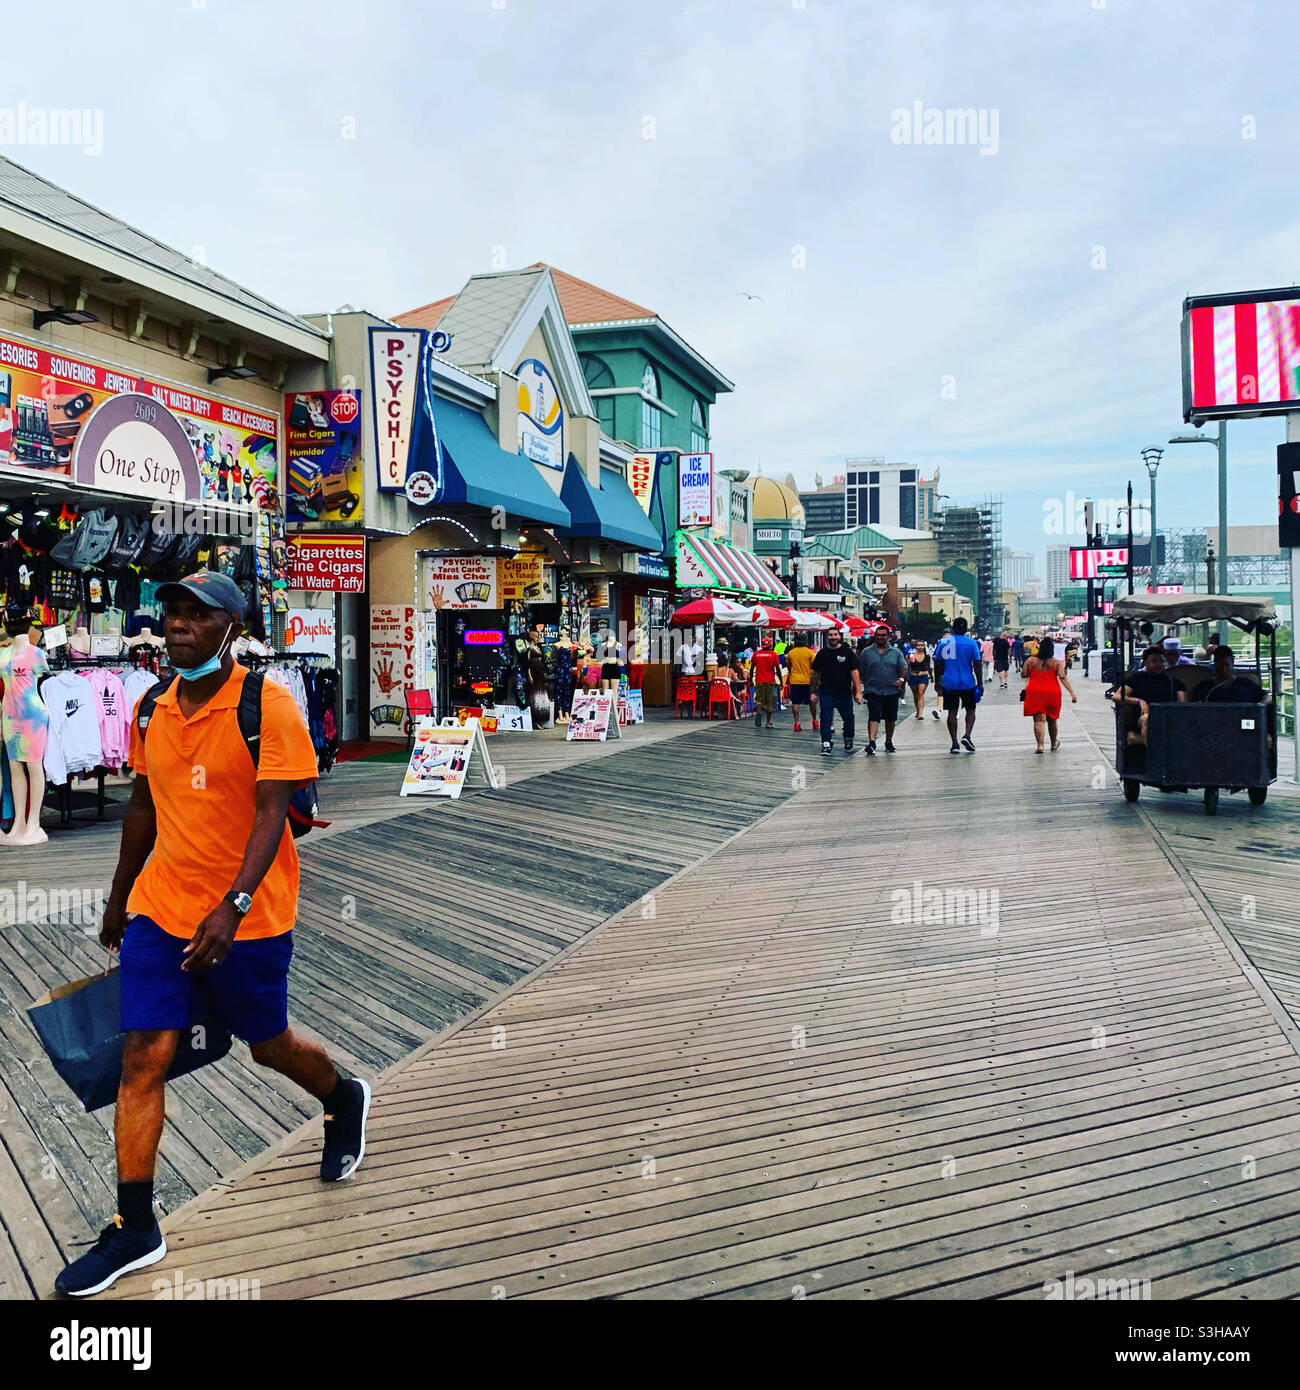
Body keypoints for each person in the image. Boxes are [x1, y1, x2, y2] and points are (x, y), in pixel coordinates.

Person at [54, 573, 368, 1299]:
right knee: (143, 1055)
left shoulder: (269, 706)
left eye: (197, 616)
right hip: (161, 911)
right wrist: (118, 896)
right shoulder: (150, 706)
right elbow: (142, 806)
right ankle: (134, 1225)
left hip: (249, 916)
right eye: (172, 615)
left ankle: (342, 1096)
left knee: (269, 1045)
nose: (178, 627)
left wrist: (233, 902)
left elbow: (270, 813)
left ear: (233, 626)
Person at [1112, 645, 1184, 745]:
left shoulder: (1173, 682)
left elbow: (1184, 704)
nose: (1158, 664)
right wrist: (1139, 701)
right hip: (1145, 716)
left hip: (1168, 716)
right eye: (1154, 661)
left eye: (1161, 661)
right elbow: (1116, 696)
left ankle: (1136, 738)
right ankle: (1152, 756)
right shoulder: (1136, 679)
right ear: (1145, 662)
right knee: (1147, 719)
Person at [1021, 636, 1078, 753]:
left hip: (1035, 691)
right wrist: (1072, 693)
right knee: (1052, 719)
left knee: (1039, 720)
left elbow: (1024, 674)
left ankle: (1040, 746)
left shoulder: (1031, 661)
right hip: (1052, 692)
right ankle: (1053, 743)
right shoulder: (1056, 663)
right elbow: (1062, 677)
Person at [935, 616, 983, 753]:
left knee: (952, 712)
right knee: (971, 710)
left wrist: (938, 680)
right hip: (967, 682)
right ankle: (967, 734)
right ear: (966, 628)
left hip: (950, 682)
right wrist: (979, 683)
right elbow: (977, 664)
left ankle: (954, 743)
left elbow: (938, 663)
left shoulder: (944, 642)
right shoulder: (971, 643)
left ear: (953, 628)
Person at [811, 627, 861, 755]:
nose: (833, 637)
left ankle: (848, 738)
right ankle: (826, 743)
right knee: (825, 718)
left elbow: (854, 672)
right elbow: (815, 673)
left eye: (835, 635)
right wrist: (812, 692)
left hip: (844, 692)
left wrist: (858, 692)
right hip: (826, 692)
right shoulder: (822, 654)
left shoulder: (848, 652)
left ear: (840, 636)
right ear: (827, 637)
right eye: (830, 635)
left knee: (849, 718)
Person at [858, 627, 908, 753]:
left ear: (888, 637)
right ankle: (872, 742)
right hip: (873, 690)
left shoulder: (896, 652)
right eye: (878, 635)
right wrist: (860, 685)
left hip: (891, 690)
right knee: (874, 715)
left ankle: (889, 741)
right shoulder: (867, 652)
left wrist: (901, 680)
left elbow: (903, 668)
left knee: (891, 718)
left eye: (883, 635)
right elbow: (860, 669)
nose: (880, 637)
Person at [748, 634, 784, 730]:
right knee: (769, 702)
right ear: (770, 645)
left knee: (759, 700)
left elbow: (751, 669)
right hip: (770, 681)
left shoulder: (756, 654)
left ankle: (759, 712)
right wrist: (781, 681)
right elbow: (778, 669)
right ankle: (768, 722)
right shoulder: (773, 654)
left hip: (759, 681)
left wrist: (751, 680)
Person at [786, 634, 817, 733]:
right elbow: (814, 667)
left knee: (795, 702)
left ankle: (796, 723)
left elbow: (788, 666)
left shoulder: (791, 653)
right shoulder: (810, 652)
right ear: (806, 641)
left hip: (795, 680)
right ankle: (814, 721)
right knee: (811, 702)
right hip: (807, 681)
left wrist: (792, 673)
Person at [906, 638, 931, 719]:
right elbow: (907, 666)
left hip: (923, 676)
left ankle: (920, 714)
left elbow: (929, 667)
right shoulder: (911, 655)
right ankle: (918, 710)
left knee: (920, 693)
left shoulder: (927, 656)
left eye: (922, 645)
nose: (920, 647)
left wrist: (932, 676)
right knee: (915, 695)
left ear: (924, 646)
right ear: (915, 646)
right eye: (918, 645)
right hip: (913, 676)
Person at [931, 626, 951, 721]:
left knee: (941, 692)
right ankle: (952, 710)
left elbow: (935, 659)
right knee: (951, 692)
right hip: (952, 672)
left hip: (943, 672)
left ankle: (939, 710)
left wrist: (935, 676)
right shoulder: (957, 643)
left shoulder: (941, 643)